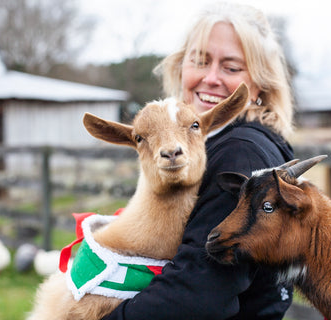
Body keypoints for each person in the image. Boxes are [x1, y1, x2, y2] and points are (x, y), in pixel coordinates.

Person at [101, 2, 294, 319]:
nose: (211, 78)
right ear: (180, 67)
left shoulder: (241, 153)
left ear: (261, 84)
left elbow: (199, 293)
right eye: (200, 61)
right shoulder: (212, 144)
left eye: (231, 68)